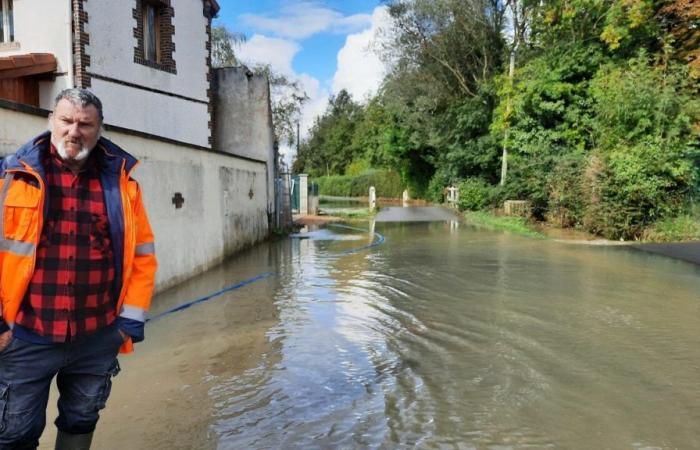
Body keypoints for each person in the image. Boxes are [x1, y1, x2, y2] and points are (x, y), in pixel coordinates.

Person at [0, 88, 157, 449]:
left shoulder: (122, 186)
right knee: (13, 434)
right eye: (66, 121)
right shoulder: (10, 176)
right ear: (51, 122)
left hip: (97, 336)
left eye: (85, 124)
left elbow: (143, 257)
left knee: (82, 419)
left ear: (99, 129)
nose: (74, 131)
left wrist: (128, 324)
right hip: (24, 336)